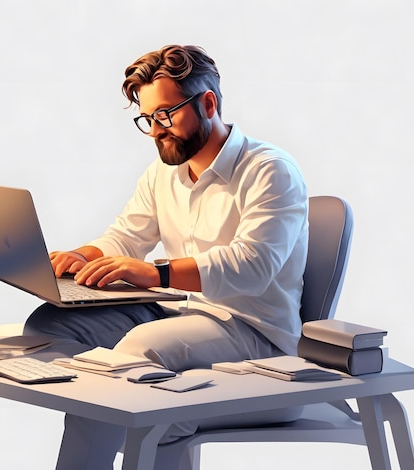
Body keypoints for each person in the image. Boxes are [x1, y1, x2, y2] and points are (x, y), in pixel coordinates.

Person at [24, 44, 308, 469]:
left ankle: (156, 420)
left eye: (165, 115)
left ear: (208, 103)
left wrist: (155, 273)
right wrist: (81, 256)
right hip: (180, 318)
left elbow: (255, 265)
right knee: (47, 326)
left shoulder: (269, 170)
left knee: (134, 355)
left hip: (254, 335)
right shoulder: (164, 173)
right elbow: (127, 235)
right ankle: (160, 419)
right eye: (147, 118)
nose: (156, 130)